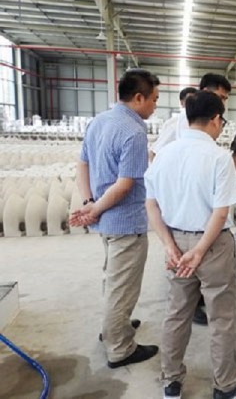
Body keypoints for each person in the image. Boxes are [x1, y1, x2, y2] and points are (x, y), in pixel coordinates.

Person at [145, 91, 236, 399]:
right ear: (216, 120)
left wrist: (170, 246)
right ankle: (225, 385)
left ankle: (171, 381)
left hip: (176, 241)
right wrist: (200, 250)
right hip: (213, 244)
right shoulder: (219, 158)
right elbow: (220, 213)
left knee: (177, 312)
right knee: (222, 317)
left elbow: (151, 205)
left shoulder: (164, 154)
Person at [69, 68, 160, 369]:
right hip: (125, 222)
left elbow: (82, 164)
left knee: (113, 280)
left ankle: (113, 327)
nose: (155, 105)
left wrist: (89, 202)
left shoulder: (99, 121)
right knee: (122, 287)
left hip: (106, 221)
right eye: (154, 99)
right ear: (139, 98)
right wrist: (94, 209)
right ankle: (119, 348)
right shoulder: (134, 132)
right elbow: (124, 185)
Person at [150, 74, 232, 161]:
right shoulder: (178, 122)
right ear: (206, 92)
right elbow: (154, 153)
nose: (223, 104)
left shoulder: (210, 121)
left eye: (225, 99)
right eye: (221, 97)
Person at [150, 87, 197, 161]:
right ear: (182, 103)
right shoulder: (174, 124)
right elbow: (155, 152)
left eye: (196, 101)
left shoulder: (200, 123)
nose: (193, 104)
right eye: (189, 101)